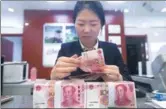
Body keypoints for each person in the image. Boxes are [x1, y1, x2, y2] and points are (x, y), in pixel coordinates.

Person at [50, 1, 133, 82]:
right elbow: (54, 85)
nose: (86, 30)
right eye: (81, 24)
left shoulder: (112, 49)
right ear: (74, 24)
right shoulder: (66, 49)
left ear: (102, 25)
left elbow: (131, 83)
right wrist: (53, 78)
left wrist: (120, 79)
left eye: (93, 24)